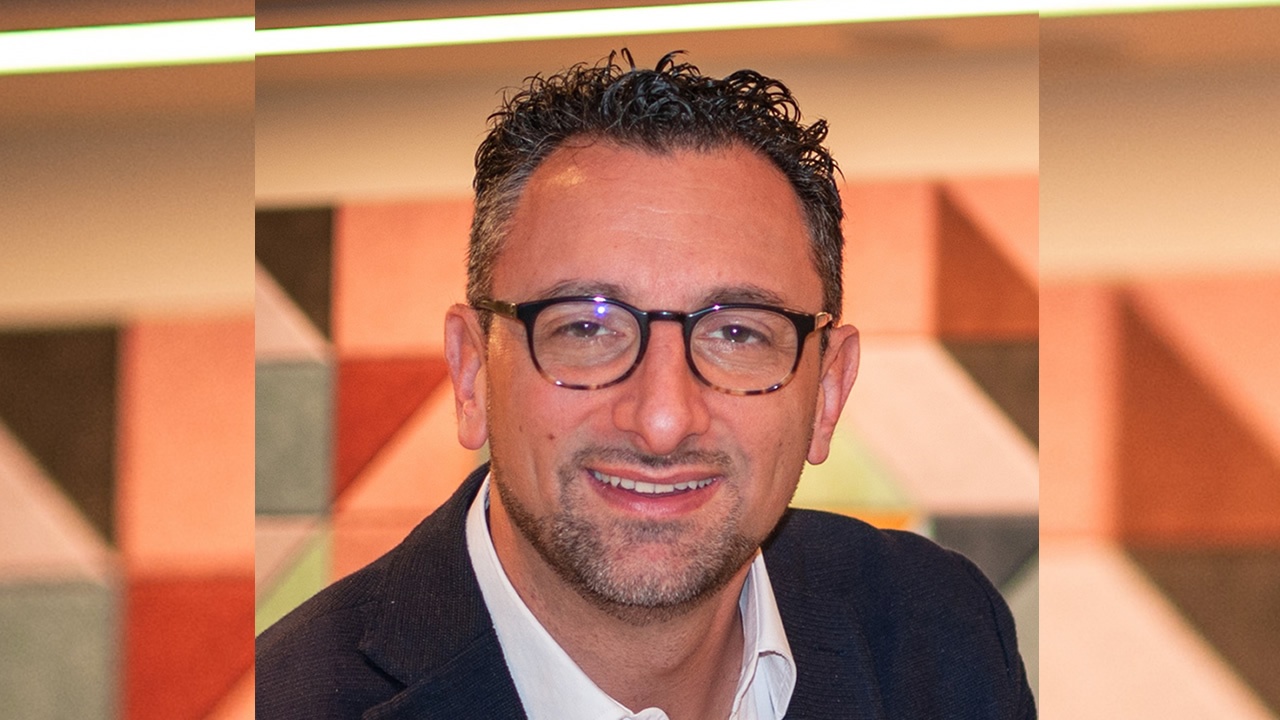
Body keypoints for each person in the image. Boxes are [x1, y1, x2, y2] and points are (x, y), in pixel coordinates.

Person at [256, 51, 1035, 719]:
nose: (663, 420)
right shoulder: (297, 699)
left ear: (827, 392)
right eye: (586, 329)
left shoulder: (944, 638)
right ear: (471, 373)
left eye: (738, 334)